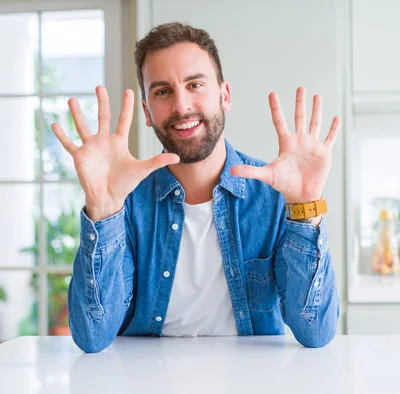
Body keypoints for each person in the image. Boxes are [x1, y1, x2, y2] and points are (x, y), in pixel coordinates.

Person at [51, 22, 341, 353]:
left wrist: (306, 205)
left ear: (224, 95)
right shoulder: (124, 200)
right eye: (162, 91)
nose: (182, 106)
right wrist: (103, 212)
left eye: (195, 84)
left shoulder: (276, 195)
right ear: (147, 112)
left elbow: (315, 332)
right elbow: (92, 337)